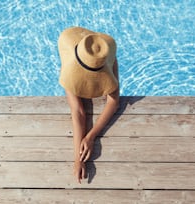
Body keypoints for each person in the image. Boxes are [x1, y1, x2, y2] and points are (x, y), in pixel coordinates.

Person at [58, 27, 119, 183]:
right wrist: (78, 159)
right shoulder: (71, 60)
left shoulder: (104, 57)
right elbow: (78, 111)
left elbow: (113, 101)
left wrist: (91, 136)